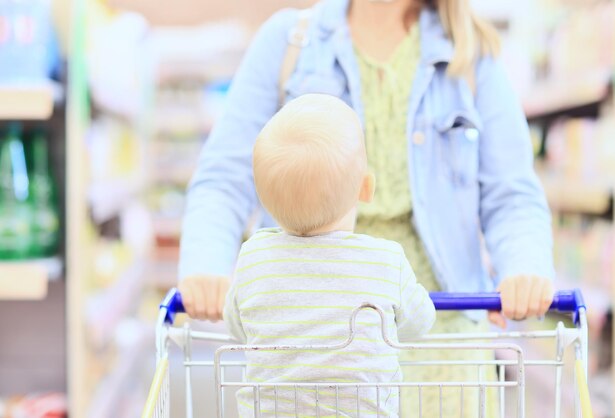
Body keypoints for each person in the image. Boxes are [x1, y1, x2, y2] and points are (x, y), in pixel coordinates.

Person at [179, 0, 555, 415]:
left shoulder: (469, 50)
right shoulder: (289, 42)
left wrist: (524, 267)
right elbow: (225, 175)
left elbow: (511, 192)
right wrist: (207, 265)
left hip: (445, 351)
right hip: (317, 350)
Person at [223, 93, 436, 417]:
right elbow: (419, 323)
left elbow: (238, 326)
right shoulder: (385, 260)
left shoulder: (254, 258)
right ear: (366, 188)